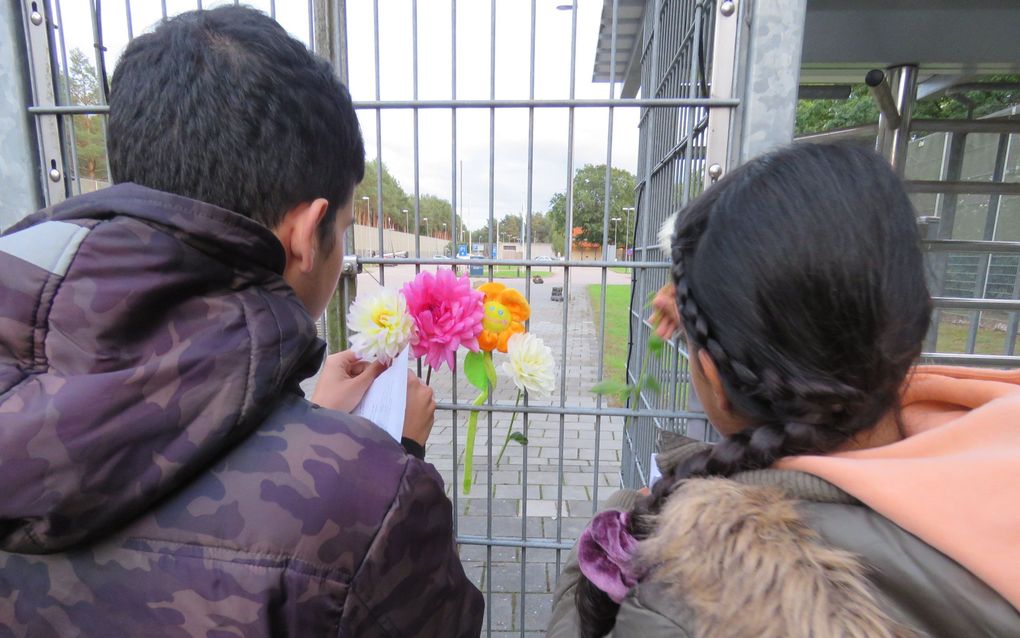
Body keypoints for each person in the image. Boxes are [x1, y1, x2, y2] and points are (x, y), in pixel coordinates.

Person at [0, 6, 483, 636]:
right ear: (308, 234)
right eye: (341, 233)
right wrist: (382, 459)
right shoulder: (371, 501)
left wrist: (312, 434)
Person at [548, 142, 1020, 637]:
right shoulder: (991, 449)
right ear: (913, 318)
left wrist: (608, 529)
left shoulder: (689, 601)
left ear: (713, 379)